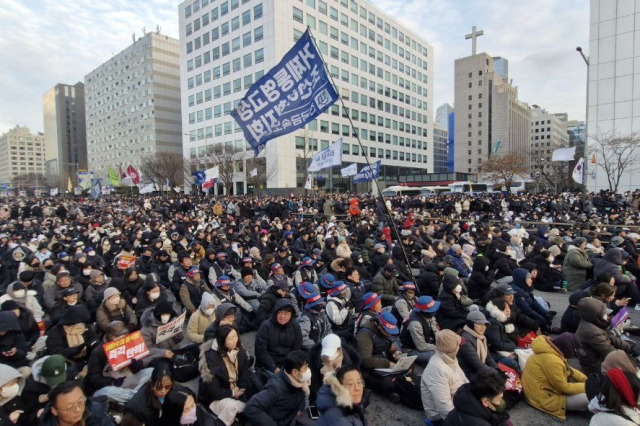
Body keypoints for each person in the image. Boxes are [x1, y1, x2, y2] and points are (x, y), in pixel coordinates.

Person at [521, 334, 588, 419]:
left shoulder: (551, 350)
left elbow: (570, 370)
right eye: (575, 351)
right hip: (541, 397)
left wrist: (586, 380)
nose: (575, 355)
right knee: (587, 398)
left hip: (537, 389)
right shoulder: (552, 361)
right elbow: (564, 388)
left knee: (586, 390)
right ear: (567, 349)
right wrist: (588, 386)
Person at [85, 321, 154, 403]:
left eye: (124, 334)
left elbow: (140, 367)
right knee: (106, 392)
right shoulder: (98, 352)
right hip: (112, 387)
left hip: (130, 381)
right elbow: (93, 378)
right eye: (117, 336)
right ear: (110, 337)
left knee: (152, 371)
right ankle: (139, 397)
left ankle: (130, 397)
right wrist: (111, 381)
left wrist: (134, 364)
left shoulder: (129, 344)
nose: (121, 338)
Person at [199, 325, 253, 425]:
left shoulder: (239, 350)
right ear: (222, 341)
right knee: (232, 406)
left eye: (236, 336)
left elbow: (245, 372)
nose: (235, 340)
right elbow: (213, 390)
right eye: (231, 338)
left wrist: (242, 389)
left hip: (237, 390)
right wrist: (232, 393)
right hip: (217, 398)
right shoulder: (211, 359)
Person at [244, 350, 310, 426]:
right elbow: (251, 407)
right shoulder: (276, 388)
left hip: (292, 419)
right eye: (305, 368)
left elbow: (300, 398)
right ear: (295, 372)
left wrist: (299, 409)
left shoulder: (299, 382)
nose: (307, 371)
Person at [576, 297, 639, 375]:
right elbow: (609, 352)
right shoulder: (591, 331)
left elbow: (611, 338)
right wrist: (629, 360)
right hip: (596, 366)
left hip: (601, 358)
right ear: (595, 315)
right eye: (604, 314)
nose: (608, 316)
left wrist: (629, 347)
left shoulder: (594, 323)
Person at [421, 330, 469, 426]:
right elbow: (444, 407)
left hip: (458, 402)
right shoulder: (437, 369)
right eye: (458, 344)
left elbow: (464, 380)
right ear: (454, 349)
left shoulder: (450, 358)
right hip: (440, 417)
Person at [121, 364, 188, 426]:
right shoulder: (135, 411)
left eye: (167, 387)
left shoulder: (181, 392)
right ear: (152, 384)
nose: (163, 392)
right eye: (159, 387)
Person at [443, 369, 511, 426]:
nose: (501, 401)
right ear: (485, 402)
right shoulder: (479, 423)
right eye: (499, 399)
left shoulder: (469, 399)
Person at [254, 299, 303, 373]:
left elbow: (296, 348)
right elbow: (261, 351)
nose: (282, 316)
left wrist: (288, 366)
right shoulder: (266, 326)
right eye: (280, 312)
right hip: (268, 365)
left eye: (286, 314)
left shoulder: (295, 326)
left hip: (288, 363)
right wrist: (274, 368)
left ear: (291, 315)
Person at [38, 380, 115, 426]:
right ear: (54, 410)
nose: (78, 410)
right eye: (70, 407)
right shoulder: (46, 422)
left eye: (80, 402)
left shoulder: (94, 412)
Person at [399, 295, 440, 365]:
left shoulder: (429, 316)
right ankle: (405, 357)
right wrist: (437, 348)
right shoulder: (415, 323)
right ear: (424, 311)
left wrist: (442, 342)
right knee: (436, 355)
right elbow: (421, 346)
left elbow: (435, 331)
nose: (434, 311)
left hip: (425, 341)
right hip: (411, 349)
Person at [457, 310, 498, 378]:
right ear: (471, 324)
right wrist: (496, 373)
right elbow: (476, 363)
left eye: (485, 324)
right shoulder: (464, 339)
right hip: (468, 375)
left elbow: (488, 356)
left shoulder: (481, 337)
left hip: (479, 371)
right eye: (479, 324)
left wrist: (498, 370)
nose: (483, 327)